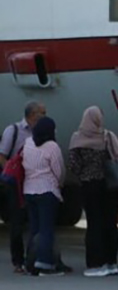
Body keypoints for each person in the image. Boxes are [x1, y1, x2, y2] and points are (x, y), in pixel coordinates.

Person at [68, 106, 118, 278]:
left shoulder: (77, 138)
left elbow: (73, 165)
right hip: (109, 187)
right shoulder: (108, 136)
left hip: (90, 186)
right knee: (110, 223)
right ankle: (111, 263)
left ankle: (96, 264)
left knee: (94, 225)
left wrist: (85, 174)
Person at [1, 101, 45, 274]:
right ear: (32, 115)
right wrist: (13, 174)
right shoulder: (14, 130)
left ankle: (34, 258)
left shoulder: (44, 132)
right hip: (17, 185)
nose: (44, 115)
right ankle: (18, 261)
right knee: (17, 224)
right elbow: (2, 156)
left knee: (37, 223)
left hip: (35, 182)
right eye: (42, 112)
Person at [22, 117, 65, 276]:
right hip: (47, 191)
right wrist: (59, 184)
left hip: (29, 190)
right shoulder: (52, 147)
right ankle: (45, 264)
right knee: (47, 229)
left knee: (34, 229)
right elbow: (59, 170)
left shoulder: (28, 143)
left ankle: (31, 262)